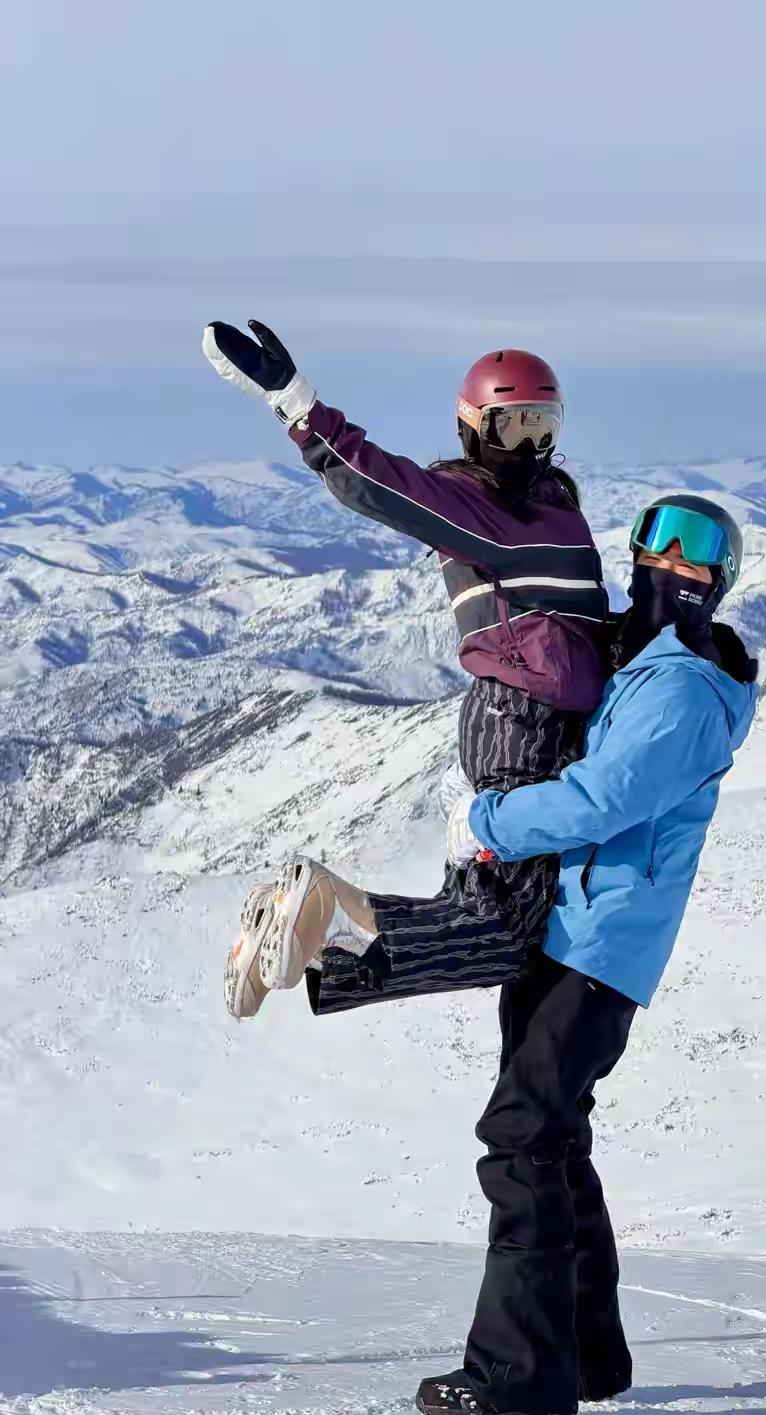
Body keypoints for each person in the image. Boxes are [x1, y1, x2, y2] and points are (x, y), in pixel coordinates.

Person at [415, 495, 759, 1415]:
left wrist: (488, 827)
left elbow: (602, 799)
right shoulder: (645, 664)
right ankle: (589, 1353)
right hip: (573, 928)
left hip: (600, 943)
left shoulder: (681, 691)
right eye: (661, 556)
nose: (674, 577)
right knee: (554, 1135)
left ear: (719, 585)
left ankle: (521, 1372)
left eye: (698, 568)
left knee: (524, 1136)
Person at [201, 321, 608, 1020]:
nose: (531, 448)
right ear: (473, 429)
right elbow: (375, 485)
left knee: (477, 914)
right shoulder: (479, 509)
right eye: (512, 429)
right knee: (508, 933)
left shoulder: (546, 507)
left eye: (544, 427)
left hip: (527, 722)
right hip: (522, 723)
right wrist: (296, 403)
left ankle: (309, 935)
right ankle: (322, 913)